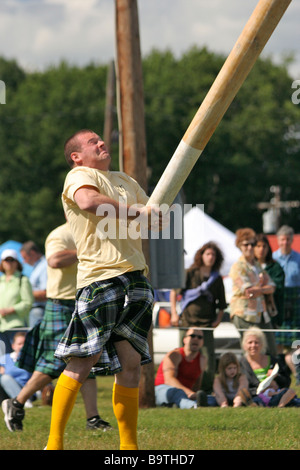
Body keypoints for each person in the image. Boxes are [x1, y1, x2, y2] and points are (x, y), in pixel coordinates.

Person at [45, 129, 162, 451]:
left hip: (136, 276)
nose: (101, 143)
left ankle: (129, 448)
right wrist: (139, 213)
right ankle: (54, 444)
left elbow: (149, 219)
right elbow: (90, 201)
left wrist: (157, 217)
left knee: (130, 364)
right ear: (76, 156)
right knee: (83, 358)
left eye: (101, 139)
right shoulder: (79, 176)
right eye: (92, 142)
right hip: (100, 278)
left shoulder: (124, 179)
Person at [2, 222, 111, 432]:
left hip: (85, 302)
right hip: (61, 304)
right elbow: (54, 260)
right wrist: (85, 251)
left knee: (89, 358)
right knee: (53, 363)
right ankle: (16, 403)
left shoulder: (93, 232)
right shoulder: (60, 235)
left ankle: (93, 419)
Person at [170, 242, 227, 392]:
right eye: (208, 254)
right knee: (183, 355)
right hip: (187, 322)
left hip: (206, 324)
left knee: (208, 358)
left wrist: (218, 319)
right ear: (201, 256)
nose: (210, 257)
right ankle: (181, 388)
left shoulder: (217, 278)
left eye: (213, 255)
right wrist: (174, 314)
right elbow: (174, 292)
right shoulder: (190, 272)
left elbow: (222, 303)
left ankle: (206, 390)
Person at [229, 228, 277, 356]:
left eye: (252, 244)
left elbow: (272, 286)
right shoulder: (238, 266)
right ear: (239, 246)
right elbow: (249, 292)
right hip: (245, 315)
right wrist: (263, 289)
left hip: (262, 314)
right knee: (251, 352)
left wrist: (259, 290)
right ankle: (248, 376)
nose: (250, 247)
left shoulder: (257, 265)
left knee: (271, 351)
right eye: (246, 244)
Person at [240, 327, 299, 406]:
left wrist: (276, 376)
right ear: (244, 345)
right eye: (250, 342)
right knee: (256, 400)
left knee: (289, 393)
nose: (253, 345)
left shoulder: (272, 360)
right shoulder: (242, 363)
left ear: (262, 344)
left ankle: (280, 405)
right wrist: (264, 389)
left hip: (275, 394)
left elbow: (286, 381)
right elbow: (243, 386)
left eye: (256, 342)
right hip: (256, 396)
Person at [272, 225, 300, 381]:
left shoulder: (298, 258)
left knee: (296, 342)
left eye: (288, 239)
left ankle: (297, 374)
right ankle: (280, 374)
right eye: (282, 239)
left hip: (296, 301)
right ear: (278, 240)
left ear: (291, 240)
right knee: (277, 343)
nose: (285, 242)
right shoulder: (273, 258)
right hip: (278, 302)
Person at [155, 328, 208, 408]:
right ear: (185, 340)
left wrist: (195, 395)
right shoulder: (174, 355)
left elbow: (197, 385)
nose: (196, 339)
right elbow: (169, 380)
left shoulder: (202, 359)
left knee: (210, 398)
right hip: (163, 389)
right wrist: (190, 393)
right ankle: (193, 406)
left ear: (202, 342)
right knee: (177, 393)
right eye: (192, 336)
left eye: (199, 337)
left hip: (186, 394)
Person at [0, 249, 33, 348]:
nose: (9, 263)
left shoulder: (22, 280)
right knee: (3, 360)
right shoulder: (0, 281)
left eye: (12, 260)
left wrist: (11, 309)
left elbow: (28, 303)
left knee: (16, 359)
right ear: (2, 262)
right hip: (1, 326)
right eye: (6, 260)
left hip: (17, 326)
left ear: (17, 262)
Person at [254, 234, 285, 327]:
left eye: (264, 246)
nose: (261, 249)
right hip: (252, 312)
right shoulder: (249, 267)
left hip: (270, 313)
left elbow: (278, 288)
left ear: (268, 248)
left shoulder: (275, 267)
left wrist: (261, 289)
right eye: (258, 246)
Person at [0, 332, 34, 409]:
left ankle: (23, 402)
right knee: (4, 378)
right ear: (13, 346)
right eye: (19, 344)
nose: (22, 346)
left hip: (26, 391)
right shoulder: (5, 358)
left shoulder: (32, 359)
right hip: (7, 390)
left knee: (5, 378)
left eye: (24, 344)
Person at [21, 241, 48, 328]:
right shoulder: (38, 266)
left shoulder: (44, 266)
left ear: (32, 253)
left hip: (40, 311)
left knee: (36, 341)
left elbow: (46, 293)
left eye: (25, 258)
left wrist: (23, 293)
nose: (24, 261)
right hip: (37, 311)